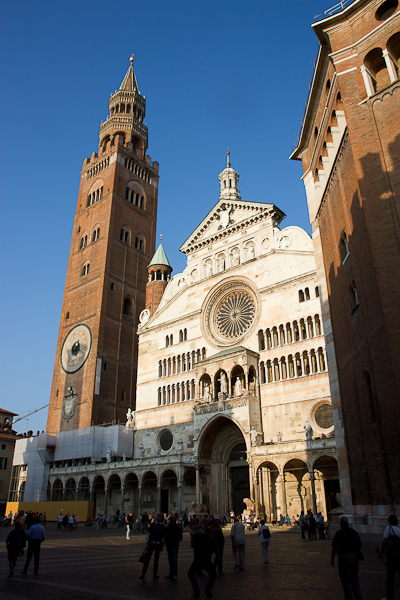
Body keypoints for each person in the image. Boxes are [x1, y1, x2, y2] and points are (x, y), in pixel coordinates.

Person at [331, 515, 363, 600]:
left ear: (341, 524)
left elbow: (335, 547)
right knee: (354, 577)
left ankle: (349, 597)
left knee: (346, 579)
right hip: (354, 557)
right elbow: (359, 544)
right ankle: (358, 594)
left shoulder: (339, 533)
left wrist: (332, 558)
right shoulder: (353, 532)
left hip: (344, 557)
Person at [188, 524, 217, 598]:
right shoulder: (212, 540)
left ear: (204, 531)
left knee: (191, 574)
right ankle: (208, 589)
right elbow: (213, 551)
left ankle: (196, 590)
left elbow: (191, 533)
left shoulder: (200, 536)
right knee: (213, 574)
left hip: (198, 560)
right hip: (207, 560)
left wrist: (199, 532)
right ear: (210, 532)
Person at [378, 514, 400, 600]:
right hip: (399, 556)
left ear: (390, 521)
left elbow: (384, 541)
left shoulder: (389, 528)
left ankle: (390, 597)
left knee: (390, 577)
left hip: (391, 556)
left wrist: (381, 552)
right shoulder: (399, 530)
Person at [139, 512, 165, 580]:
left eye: (160, 516)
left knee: (156, 559)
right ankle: (143, 573)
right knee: (147, 559)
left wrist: (162, 545)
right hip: (151, 543)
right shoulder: (152, 524)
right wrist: (147, 544)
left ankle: (155, 573)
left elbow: (163, 537)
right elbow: (149, 534)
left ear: (162, 518)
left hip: (158, 544)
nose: (159, 517)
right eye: (158, 516)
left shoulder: (162, 526)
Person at [164, 514, 183, 580]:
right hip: (169, 544)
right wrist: (166, 542)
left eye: (173, 519)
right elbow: (165, 535)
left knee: (174, 559)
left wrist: (177, 541)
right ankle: (171, 573)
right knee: (170, 559)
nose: (172, 520)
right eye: (171, 519)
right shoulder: (168, 527)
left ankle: (174, 574)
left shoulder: (177, 527)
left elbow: (180, 536)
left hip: (175, 544)